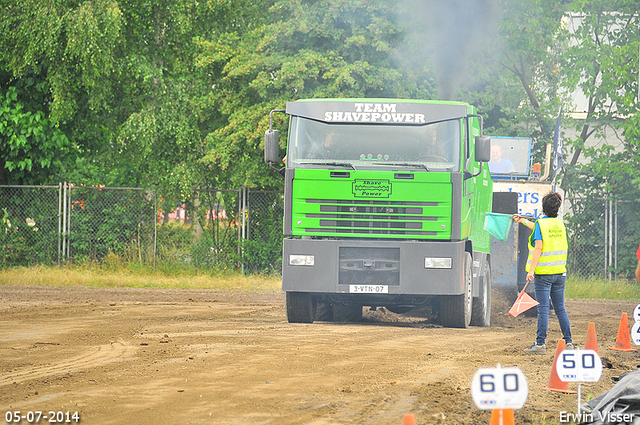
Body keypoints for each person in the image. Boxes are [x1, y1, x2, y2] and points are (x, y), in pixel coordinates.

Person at [513, 191, 575, 355]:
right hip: (560, 273)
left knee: (543, 310)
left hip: (543, 275)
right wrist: (523, 221)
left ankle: (540, 344)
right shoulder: (559, 224)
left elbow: (539, 246)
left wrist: (531, 270)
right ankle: (569, 342)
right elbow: (539, 229)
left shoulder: (542, 224)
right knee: (560, 308)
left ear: (543, 208)